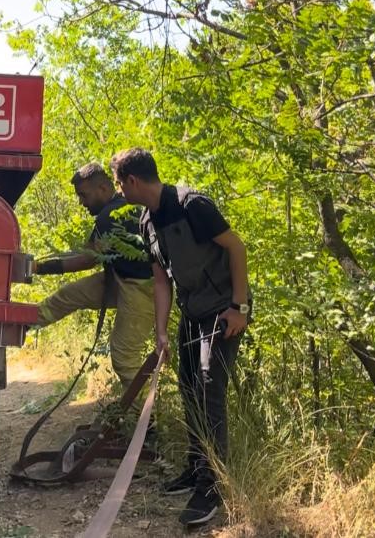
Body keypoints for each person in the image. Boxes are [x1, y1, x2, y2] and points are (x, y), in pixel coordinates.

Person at [110, 148, 252, 528]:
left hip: (223, 311)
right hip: (193, 314)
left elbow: (236, 247)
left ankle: (212, 486)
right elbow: (161, 280)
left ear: (132, 181)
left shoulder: (193, 205)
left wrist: (239, 307)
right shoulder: (146, 222)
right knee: (189, 387)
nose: (119, 191)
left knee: (209, 388)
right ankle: (195, 466)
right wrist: (160, 333)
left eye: (119, 184)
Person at [31, 162, 155, 406]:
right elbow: (87, 252)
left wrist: (40, 268)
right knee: (69, 295)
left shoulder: (112, 215)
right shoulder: (116, 211)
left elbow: (86, 260)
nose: (81, 202)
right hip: (119, 277)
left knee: (124, 356)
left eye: (84, 195)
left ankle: (146, 421)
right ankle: (23, 324)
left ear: (103, 188)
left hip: (141, 288)